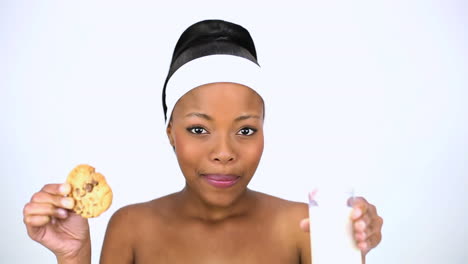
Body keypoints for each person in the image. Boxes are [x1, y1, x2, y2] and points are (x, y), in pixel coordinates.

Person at [23, 19, 383, 264]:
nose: (224, 153)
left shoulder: (304, 227)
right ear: (170, 135)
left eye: (245, 130)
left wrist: (348, 251)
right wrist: (73, 257)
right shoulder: (131, 228)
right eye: (198, 129)